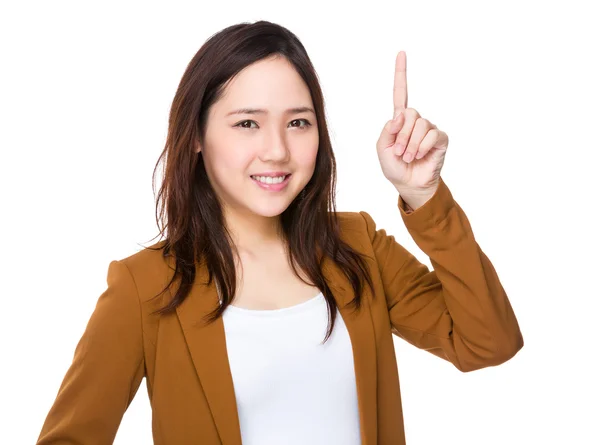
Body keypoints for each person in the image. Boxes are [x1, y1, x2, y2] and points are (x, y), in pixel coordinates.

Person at [36, 20, 524, 445]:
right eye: (247, 122)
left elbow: (489, 342)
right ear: (196, 139)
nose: (276, 150)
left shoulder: (360, 247)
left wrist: (423, 196)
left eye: (298, 122)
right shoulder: (143, 287)